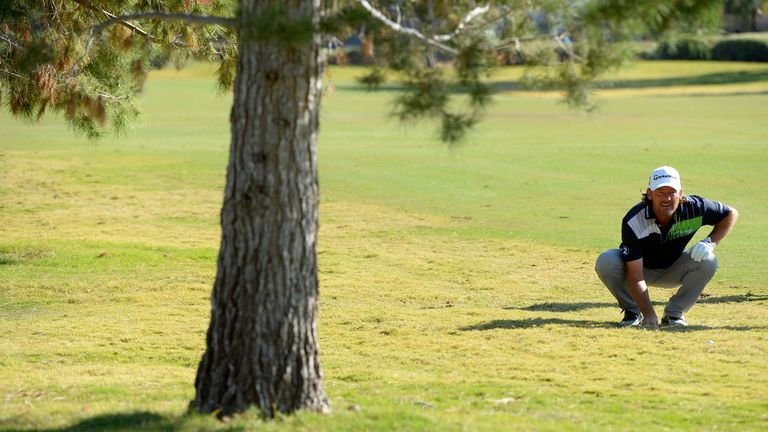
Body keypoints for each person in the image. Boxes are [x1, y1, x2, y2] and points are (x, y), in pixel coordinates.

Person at [595, 166, 738, 328]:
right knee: (606, 260)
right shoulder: (634, 220)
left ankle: (674, 314)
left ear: (681, 193)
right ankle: (633, 311)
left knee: (708, 261)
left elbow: (731, 213)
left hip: (673, 268)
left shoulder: (695, 207)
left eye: (671, 192)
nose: (666, 198)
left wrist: (710, 242)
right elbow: (635, 276)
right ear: (650, 194)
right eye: (660, 193)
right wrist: (649, 313)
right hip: (638, 270)